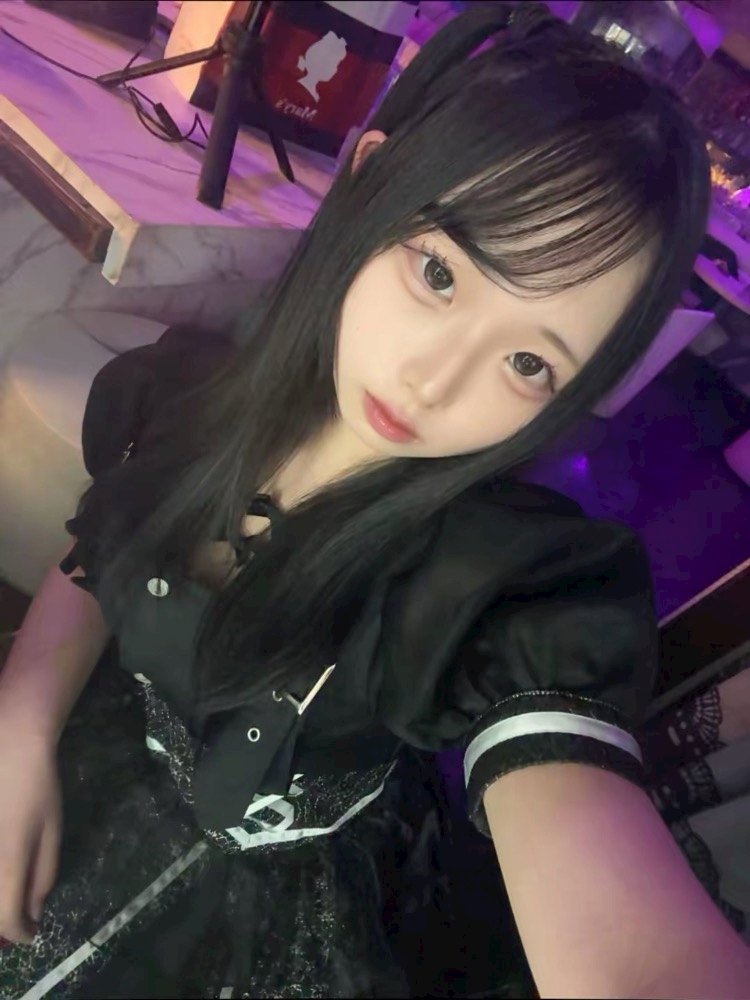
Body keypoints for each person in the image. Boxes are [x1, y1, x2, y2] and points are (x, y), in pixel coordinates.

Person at [1, 3, 749, 997]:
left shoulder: (499, 591)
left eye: (529, 362)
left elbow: (628, 944)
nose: (433, 382)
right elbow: (101, 547)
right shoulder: (174, 394)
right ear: (368, 182)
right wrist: (24, 714)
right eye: (439, 272)